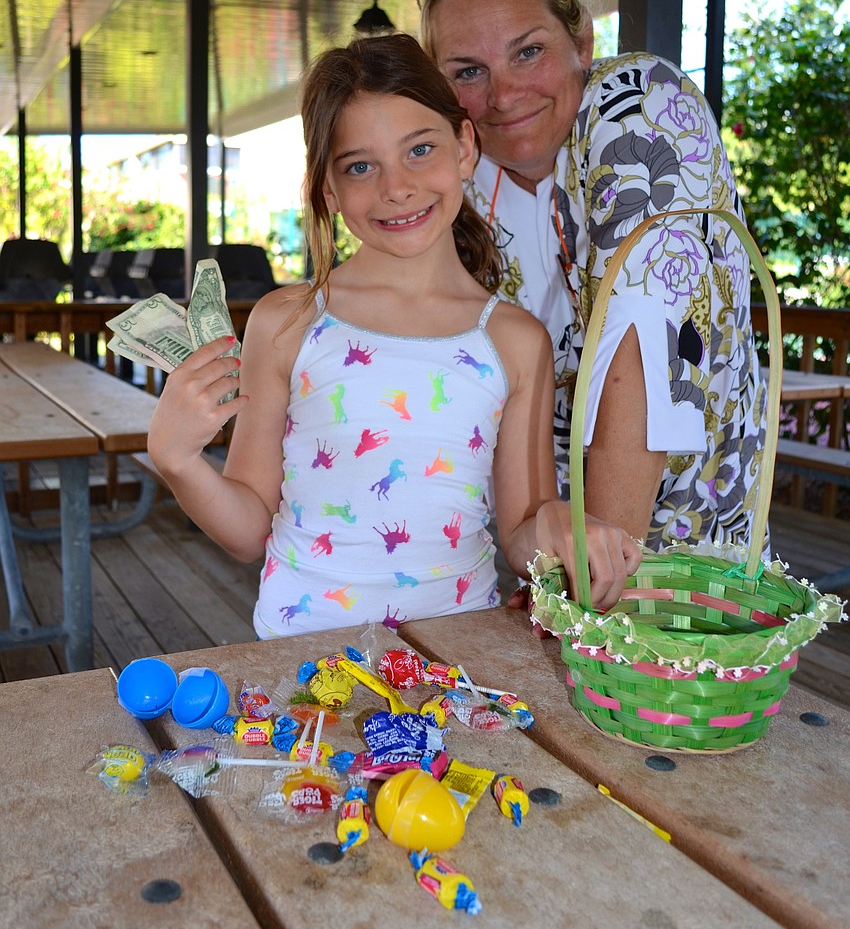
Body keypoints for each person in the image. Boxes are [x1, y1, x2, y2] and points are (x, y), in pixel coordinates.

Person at [147, 33, 641, 637]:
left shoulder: (515, 340)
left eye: (419, 150)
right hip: (303, 661)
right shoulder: (287, 322)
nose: (396, 187)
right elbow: (249, 529)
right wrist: (177, 460)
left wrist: (562, 522)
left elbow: (520, 533)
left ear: (464, 147)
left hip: (457, 663)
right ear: (328, 187)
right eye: (360, 166)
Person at [413, 0, 767, 553]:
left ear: (580, 38)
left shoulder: (638, 107)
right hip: (543, 559)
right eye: (468, 72)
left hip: (675, 565)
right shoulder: (462, 173)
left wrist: (594, 588)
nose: (504, 95)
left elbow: (640, 347)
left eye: (528, 51)